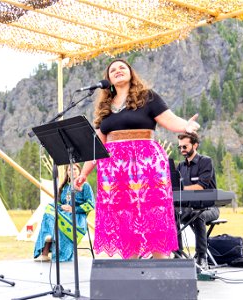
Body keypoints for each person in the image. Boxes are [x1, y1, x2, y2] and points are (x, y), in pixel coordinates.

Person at [74, 59, 200, 259]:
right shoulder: (105, 108)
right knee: (125, 218)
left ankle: (161, 266)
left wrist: (186, 126)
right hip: (116, 171)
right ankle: (131, 268)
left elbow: (170, 119)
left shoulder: (147, 97)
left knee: (153, 215)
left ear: (131, 73)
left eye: (122, 67)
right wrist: (83, 173)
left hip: (147, 165)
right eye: (112, 70)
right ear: (108, 80)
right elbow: (96, 147)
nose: (118, 71)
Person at [34, 163, 95, 262]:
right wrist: (61, 206)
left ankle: (46, 249)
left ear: (79, 171)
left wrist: (73, 209)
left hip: (77, 218)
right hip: (62, 214)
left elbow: (91, 204)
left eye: (74, 169)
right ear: (67, 172)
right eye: (70, 170)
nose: (72, 171)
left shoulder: (85, 186)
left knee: (57, 220)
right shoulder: (64, 187)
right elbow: (58, 203)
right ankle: (49, 235)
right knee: (49, 208)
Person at [176, 131, 219, 269]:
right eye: (180, 147)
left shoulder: (206, 162)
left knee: (197, 216)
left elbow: (201, 186)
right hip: (188, 207)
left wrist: (181, 190)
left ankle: (202, 257)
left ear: (195, 145)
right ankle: (178, 254)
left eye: (185, 146)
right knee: (171, 214)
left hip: (210, 208)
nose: (182, 149)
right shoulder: (180, 167)